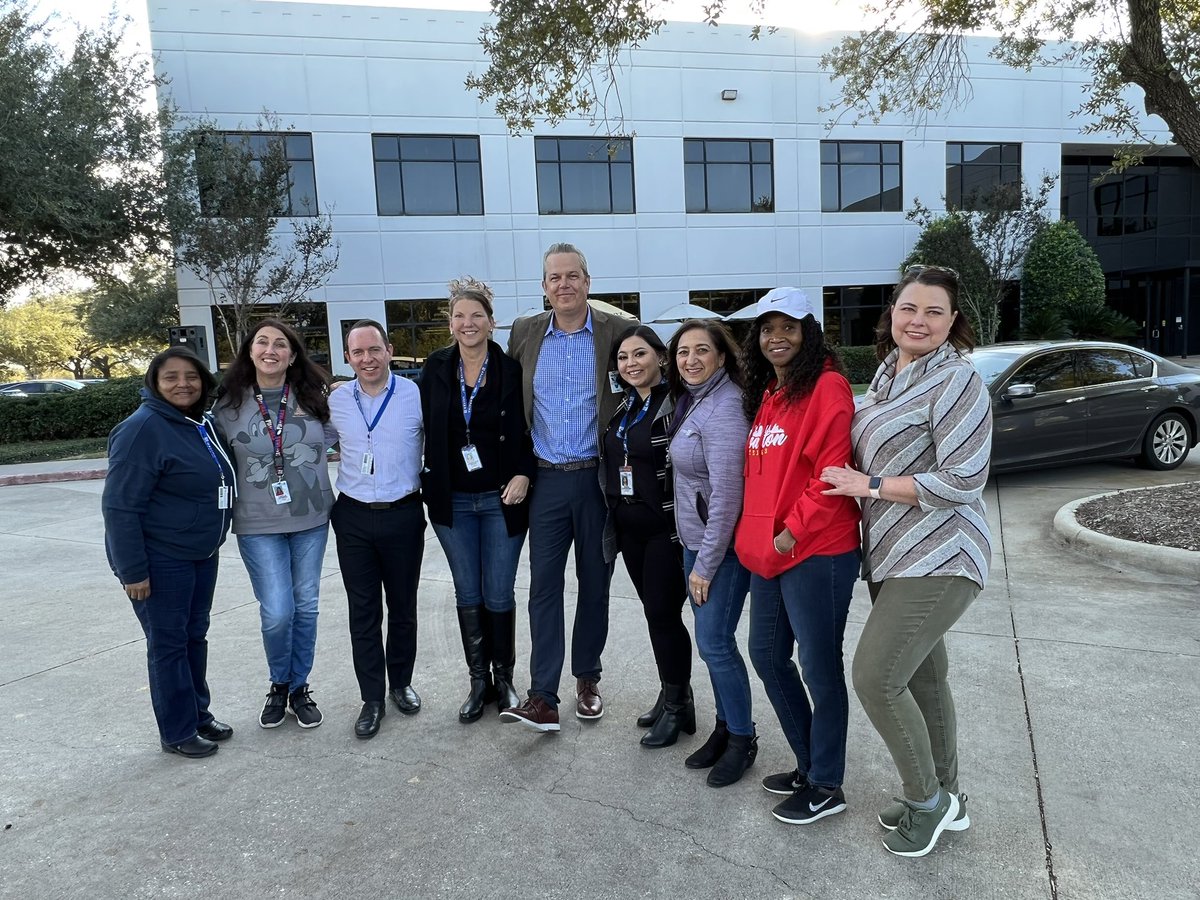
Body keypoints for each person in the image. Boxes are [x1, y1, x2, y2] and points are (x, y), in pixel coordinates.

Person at [821, 265, 992, 858]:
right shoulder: (888, 378)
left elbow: (964, 477)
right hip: (893, 556)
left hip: (943, 553)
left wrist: (866, 484)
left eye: (934, 312)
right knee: (923, 677)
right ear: (891, 315)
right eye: (908, 309)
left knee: (875, 676)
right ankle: (948, 796)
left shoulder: (957, 380)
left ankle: (927, 802)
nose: (918, 321)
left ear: (952, 323)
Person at [733, 288, 862, 825]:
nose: (776, 337)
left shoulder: (828, 387)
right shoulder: (771, 393)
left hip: (816, 551)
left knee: (819, 667)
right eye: (767, 328)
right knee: (765, 655)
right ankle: (812, 766)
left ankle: (827, 784)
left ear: (809, 331)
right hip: (769, 553)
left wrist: (789, 534)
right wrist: (763, 538)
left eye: (788, 326)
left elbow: (831, 472)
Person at [500, 242, 630, 732]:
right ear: (544, 288)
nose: (564, 285)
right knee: (543, 589)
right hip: (547, 481)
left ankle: (588, 678)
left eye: (572, 276)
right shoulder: (526, 333)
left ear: (587, 282)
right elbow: (508, 402)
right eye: (554, 278)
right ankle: (543, 695)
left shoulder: (616, 332)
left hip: (599, 481)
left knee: (595, 585)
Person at [102, 347, 237, 758]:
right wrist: (133, 572)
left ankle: (197, 713)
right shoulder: (142, 429)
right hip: (160, 561)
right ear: (154, 384)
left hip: (200, 553)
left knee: (193, 636)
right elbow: (120, 506)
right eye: (171, 377)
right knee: (168, 644)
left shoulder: (200, 423)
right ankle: (177, 731)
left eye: (191, 376)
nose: (183, 384)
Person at [420, 279, 535, 722]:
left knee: (499, 589)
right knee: (468, 590)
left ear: (491, 322)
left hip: (501, 498)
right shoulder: (434, 368)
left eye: (476, 316)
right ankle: (478, 682)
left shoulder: (511, 368)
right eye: (459, 316)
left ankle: (504, 679)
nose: (468, 324)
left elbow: (530, 424)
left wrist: (525, 471)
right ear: (450, 324)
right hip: (452, 502)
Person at [212, 319, 335, 731]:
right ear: (249, 351)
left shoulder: (314, 398)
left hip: (312, 520)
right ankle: (278, 682)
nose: (271, 349)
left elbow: (346, 438)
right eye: (262, 342)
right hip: (257, 522)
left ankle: (298, 687)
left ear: (293, 355)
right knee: (278, 612)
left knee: (307, 607)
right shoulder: (227, 405)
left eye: (280, 344)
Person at [328, 319, 425, 739]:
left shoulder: (414, 394)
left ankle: (400, 683)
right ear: (347, 358)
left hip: (403, 513)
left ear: (389, 351)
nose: (366, 359)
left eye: (374, 350)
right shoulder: (336, 401)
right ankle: (371, 697)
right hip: (352, 516)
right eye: (357, 353)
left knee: (402, 608)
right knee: (363, 612)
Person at [667, 320, 755, 787]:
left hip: (717, 551)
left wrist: (705, 562)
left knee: (716, 644)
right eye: (683, 351)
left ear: (722, 357)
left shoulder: (723, 410)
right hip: (695, 543)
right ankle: (724, 728)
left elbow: (727, 496)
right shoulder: (696, 400)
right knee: (713, 645)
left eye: (703, 350)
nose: (691, 359)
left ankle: (742, 738)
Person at [599, 325, 693, 748]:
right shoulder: (622, 409)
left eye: (639, 355)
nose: (630, 364)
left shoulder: (676, 406)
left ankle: (676, 707)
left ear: (660, 357)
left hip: (663, 530)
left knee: (662, 613)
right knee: (655, 614)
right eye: (622, 358)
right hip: (628, 528)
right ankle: (674, 694)